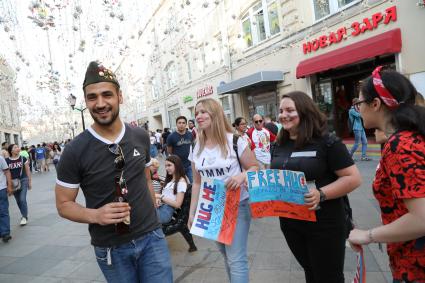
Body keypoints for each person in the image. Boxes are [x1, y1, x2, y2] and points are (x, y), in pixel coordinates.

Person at [55, 61, 172, 282]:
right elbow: (63, 204)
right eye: (92, 97)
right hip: (111, 248)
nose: (100, 103)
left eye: (107, 95)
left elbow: (146, 179)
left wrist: (153, 216)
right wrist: (95, 215)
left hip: (152, 238)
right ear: (86, 101)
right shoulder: (74, 150)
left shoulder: (140, 136)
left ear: (120, 96)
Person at [270, 91, 362, 283]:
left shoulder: (327, 141)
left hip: (325, 223)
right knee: (310, 272)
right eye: (281, 111)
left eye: (290, 110)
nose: (283, 115)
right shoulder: (279, 144)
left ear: (304, 111)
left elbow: (353, 178)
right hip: (290, 222)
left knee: (328, 277)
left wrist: (321, 193)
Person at [348, 67, 425, 283]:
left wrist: (369, 235)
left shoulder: (400, 144)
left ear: (375, 104)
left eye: (359, 103)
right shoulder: (412, 137)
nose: (358, 109)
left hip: (415, 267)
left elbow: (422, 218)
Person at [188, 98, 259, 283]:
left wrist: (241, 176)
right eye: (196, 113)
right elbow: (196, 182)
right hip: (211, 208)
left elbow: (255, 167)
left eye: (203, 111)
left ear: (215, 113)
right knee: (225, 254)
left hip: (237, 206)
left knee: (236, 259)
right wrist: (192, 212)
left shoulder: (235, 140)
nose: (199, 116)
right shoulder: (197, 146)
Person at [155, 155, 188, 224]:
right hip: (161, 208)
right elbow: (166, 196)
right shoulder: (170, 180)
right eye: (166, 166)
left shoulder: (181, 181)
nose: (166, 168)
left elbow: (177, 204)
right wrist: (158, 199)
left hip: (165, 213)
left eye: (169, 165)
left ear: (177, 165)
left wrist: (160, 196)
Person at [6, 144, 32, 226]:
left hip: (23, 180)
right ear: (11, 150)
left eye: (18, 147)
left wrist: (29, 182)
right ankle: (24, 214)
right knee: (18, 201)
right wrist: (8, 185)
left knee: (22, 199)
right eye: (15, 147)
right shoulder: (7, 160)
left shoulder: (22, 158)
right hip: (13, 183)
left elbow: (28, 170)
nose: (18, 148)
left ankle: (24, 217)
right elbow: (6, 173)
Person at [167, 116, 193, 183]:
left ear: (186, 124)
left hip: (189, 164)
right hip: (178, 166)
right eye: (179, 123)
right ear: (176, 124)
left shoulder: (190, 134)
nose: (181, 125)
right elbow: (169, 151)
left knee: (193, 182)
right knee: (180, 184)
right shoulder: (171, 136)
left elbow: (192, 147)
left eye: (183, 123)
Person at [0, 155, 13, 243]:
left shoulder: (0, 158)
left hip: (1, 188)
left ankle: (5, 233)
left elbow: (7, 171)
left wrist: (9, 186)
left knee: (3, 211)